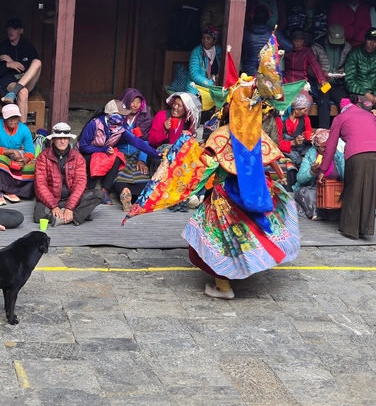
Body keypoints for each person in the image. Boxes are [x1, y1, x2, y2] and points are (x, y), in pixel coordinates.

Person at [125, 40, 301, 300]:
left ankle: (224, 287)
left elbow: (204, 166)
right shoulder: (258, 136)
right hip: (255, 193)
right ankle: (241, 275)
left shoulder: (220, 136)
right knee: (246, 237)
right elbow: (276, 163)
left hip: (225, 198)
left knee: (219, 240)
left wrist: (183, 159)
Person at [318, 95, 376, 239]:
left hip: (357, 153)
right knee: (370, 189)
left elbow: (330, 147)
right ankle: (365, 228)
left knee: (352, 189)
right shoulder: (369, 116)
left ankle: (350, 229)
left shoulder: (340, 118)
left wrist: (323, 170)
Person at [81, 99, 160, 205]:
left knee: (117, 156)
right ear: (110, 114)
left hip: (104, 153)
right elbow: (83, 147)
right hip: (88, 153)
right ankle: (90, 191)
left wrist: (156, 154)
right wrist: (102, 150)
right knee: (100, 158)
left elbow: (137, 142)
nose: (123, 117)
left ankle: (105, 190)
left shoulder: (120, 128)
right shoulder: (94, 124)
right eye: (120, 114)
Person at [34, 123, 103, 226]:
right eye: (59, 138)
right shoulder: (43, 157)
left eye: (65, 138)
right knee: (38, 215)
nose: (63, 141)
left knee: (99, 194)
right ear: (53, 139)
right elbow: (40, 185)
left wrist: (70, 207)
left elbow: (80, 184)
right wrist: (54, 206)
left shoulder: (78, 157)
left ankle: (64, 216)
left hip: (72, 198)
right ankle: (78, 215)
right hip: (53, 199)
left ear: (69, 139)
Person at [283, 28, 333, 127]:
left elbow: (315, 65)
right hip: (286, 82)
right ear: (291, 41)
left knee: (306, 104)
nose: (298, 43)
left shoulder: (307, 51)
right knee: (284, 106)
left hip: (301, 83)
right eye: (295, 41)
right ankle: (285, 129)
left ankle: (300, 129)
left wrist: (322, 80)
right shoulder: (286, 50)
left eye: (300, 41)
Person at [114, 88, 154, 212]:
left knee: (143, 175)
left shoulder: (144, 118)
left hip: (137, 154)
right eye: (132, 102)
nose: (136, 105)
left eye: (138, 102)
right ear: (125, 102)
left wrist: (142, 159)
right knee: (120, 175)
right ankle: (125, 193)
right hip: (120, 153)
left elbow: (145, 141)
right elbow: (112, 138)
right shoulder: (117, 117)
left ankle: (134, 197)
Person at [0, 18, 42, 122]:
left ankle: (14, 92)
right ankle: (22, 131)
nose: (11, 31)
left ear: (21, 31)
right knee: (23, 92)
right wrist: (8, 65)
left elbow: (28, 70)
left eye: (14, 29)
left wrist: (12, 61)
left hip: (26, 81)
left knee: (37, 62)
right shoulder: (2, 48)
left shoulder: (28, 47)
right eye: (9, 29)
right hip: (9, 83)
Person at [293, 128, 345, 220]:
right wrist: (312, 171)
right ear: (317, 146)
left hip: (335, 190)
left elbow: (345, 175)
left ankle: (330, 213)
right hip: (316, 191)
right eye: (323, 146)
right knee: (302, 193)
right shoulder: (310, 156)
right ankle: (318, 213)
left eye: (329, 146)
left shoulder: (338, 156)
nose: (326, 149)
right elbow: (300, 178)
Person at [344, 28, 376, 128]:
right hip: (360, 91)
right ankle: (362, 132)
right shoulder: (354, 54)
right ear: (364, 39)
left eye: (375, 41)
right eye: (369, 40)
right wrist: (366, 93)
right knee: (367, 106)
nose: (372, 44)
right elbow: (349, 80)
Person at [0, 104, 35, 202]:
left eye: (15, 117)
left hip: (16, 156)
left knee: (33, 165)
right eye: (10, 117)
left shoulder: (24, 129)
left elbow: (30, 150)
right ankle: (5, 190)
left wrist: (25, 159)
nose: (13, 120)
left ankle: (20, 191)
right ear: (4, 118)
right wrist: (13, 151)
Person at [311, 24, 352, 127]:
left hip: (338, 84)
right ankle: (324, 131)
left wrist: (343, 71)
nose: (335, 45)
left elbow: (350, 65)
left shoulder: (347, 47)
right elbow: (309, 69)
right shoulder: (317, 46)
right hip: (321, 84)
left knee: (346, 102)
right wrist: (321, 74)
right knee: (323, 102)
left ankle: (344, 130)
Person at [241, 5, 291, 75]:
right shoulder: (274, 33)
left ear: (253, 18)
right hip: (268, 72)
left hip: (250, 71)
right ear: (268, 18)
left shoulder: (245, 33)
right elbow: (289, 47)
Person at [185, 26, 221, 104]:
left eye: (208, 38)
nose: (205, 41)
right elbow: (194, 74)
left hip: (213, 88)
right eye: (203, 38)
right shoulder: (196, 52)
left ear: (215, 40)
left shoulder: (219, 52)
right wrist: (211, 85)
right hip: (195, 88)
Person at [276, 94, 313, 165]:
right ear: (296, 110)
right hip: (286, 147)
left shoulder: (305, 118)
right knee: (295, 157)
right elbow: (276, 142)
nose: (305, 112)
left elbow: (308, 132)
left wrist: (310, 137)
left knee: (311, 150)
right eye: (304, 110)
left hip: (300, 147)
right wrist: (293, 143)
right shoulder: (280, 120)